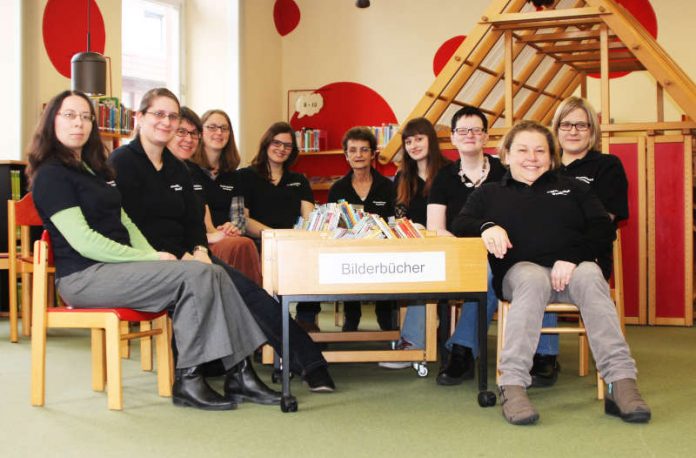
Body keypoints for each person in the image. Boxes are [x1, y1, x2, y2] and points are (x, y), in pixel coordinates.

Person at [28, 90, 270, 411]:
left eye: (86, 117)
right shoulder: (51, 175)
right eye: (69, 116)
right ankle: (189, 378)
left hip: (116, 270)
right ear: (51, 122)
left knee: (211, 271)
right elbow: (84, 241)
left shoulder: (92, 170)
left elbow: (126, 222)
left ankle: (241, 372)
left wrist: (155, 254)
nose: (79, 124)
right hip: (84, 277)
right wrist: (149, 256)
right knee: (196, 275)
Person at [110, 89, 334, 393]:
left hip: (190, 256)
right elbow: (124, 224)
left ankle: (309, 364)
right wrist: (173, 255)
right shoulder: (122, 162)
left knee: (251, 293)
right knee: (226, 286)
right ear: (140, 118)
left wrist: (200, 249)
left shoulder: (178, 168)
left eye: (172, 117)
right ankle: (241, 371)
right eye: (159, 115)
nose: (167, 123)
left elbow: (192, 221)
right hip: (153, 260)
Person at [452, 120, 650, 425]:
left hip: (572, 271)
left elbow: (602, 228)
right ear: (506, 155)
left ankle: (620, 382)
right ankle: (513, 383)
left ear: (551, 156)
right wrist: (486, 227)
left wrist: (572, 258)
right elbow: (461, 223)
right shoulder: (489, 194)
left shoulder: (575, 188)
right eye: (523, 150)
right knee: (531, 278)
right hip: (521, 274)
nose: (532, 157)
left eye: (540, 151)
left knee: (591, 274)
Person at [529, 96, 630, 387]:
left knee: (545, 265)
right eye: (566, 124)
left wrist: (569, 253)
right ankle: (543, 356)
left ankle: (550, 357)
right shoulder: (543, 169)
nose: (573, 131)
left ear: (592, 130)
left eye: (581, 125)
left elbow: (604, 223)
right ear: (556, 129)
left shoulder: (607, 166)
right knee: (532, 267)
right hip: (545, 253)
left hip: (588, 255)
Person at [426, 106, 506, 385]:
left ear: (486, 137)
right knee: (482, 273)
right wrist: (466, 249)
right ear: (453, 137)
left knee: (488, 273)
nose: (470, 135)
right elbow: (436, 228)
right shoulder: (444, 177)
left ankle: (461, 350)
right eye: (463, 130)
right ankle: (462, 348)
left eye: (476, 130)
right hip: (458, 254)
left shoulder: (504, 172)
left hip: (500, 253)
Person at [234, 122, 322, 331]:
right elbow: (243, 219)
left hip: (293, 241)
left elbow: (309, 216)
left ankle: (306, 319)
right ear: (266, 143)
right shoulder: (245, 176)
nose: (281, 149)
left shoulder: (298, 180)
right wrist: (273, 236)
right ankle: (268, 325)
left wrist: (298, 237)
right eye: (277, 143)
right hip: (260, 240)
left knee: (313, 253)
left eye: (287, 145)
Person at [378, 118, 450, 368]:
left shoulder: (450, 173)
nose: (414, 145)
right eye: (408, 142)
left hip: (445, 248)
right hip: (413, 248)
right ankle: (415, 339)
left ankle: (412, 343)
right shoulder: (402, 177)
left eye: (419, 139)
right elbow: (398, 219)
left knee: (424, 275)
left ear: (431, 139)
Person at [168, 107, 261, 285]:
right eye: (212, 127)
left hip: (227, 235)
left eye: (224, 128)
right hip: (204, 238)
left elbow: (239, 216)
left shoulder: (234, 175)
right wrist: (213, 233)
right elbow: (200, 210)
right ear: (201, 133)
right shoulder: (188, 168)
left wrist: (232, 227)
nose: (218, 132)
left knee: (243, 243)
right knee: (242, 245)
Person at [324, 127, 397, 332]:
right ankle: (351, 318)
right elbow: (332, 227)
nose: (359, 155)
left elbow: (394, 222)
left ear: (373, 154)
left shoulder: (388, 187)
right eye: (353, 150)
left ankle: (386, 320)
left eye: (364, 150)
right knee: (346, 259)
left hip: (383, 254)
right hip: (348, 253)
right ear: (346, 155)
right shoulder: (338, 189)